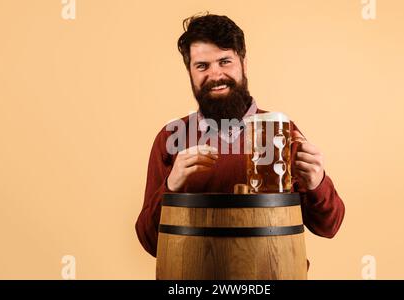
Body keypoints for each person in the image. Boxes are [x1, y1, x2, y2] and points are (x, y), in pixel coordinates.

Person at [135, 13, 345, 258]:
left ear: (243, 64)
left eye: (225, 61)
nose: (215, 75)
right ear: (190, 73)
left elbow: (329, 226)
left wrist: (317, 182)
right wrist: (171, 185)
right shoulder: (172, 137)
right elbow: (150, 242)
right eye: (202, 66)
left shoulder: (280, 131)